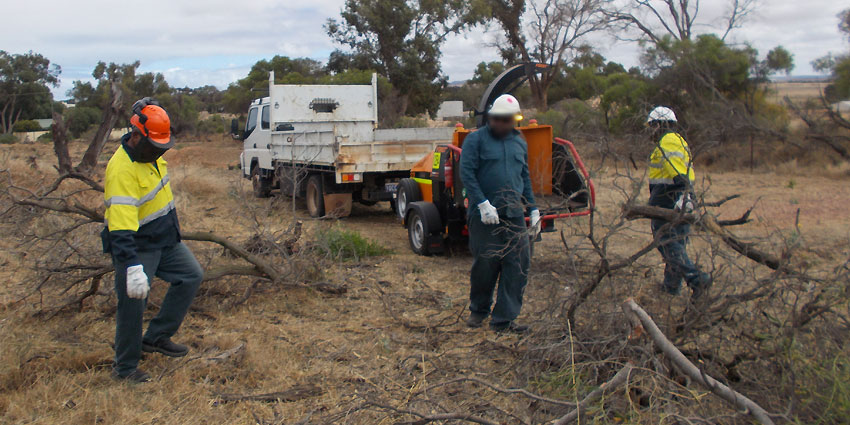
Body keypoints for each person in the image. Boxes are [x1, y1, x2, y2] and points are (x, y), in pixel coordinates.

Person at [101, 98, 204, 382]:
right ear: (136, 136)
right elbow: (120, 226)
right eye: (154, 146)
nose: (158, 151)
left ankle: (156, 337)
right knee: (133, 304)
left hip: (165, 240)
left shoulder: (151, 154)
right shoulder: (121, 169)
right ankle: (125, 368)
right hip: (137, 246)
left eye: (161, 147)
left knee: (191, 275)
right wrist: (131, 266)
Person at [460, 94, 540, 333]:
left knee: (518, 264)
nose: (501, 124)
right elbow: (467, 173)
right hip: (485, 215)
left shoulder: (519, 142)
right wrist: (482, 203)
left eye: (506, 120)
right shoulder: (475, 140)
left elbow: (524, 177)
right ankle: (479, 310)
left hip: (513, 214)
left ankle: (504, 320)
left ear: (514, 120)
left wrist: (533, 208)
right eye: (497, 119)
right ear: (490, 117)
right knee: (486, 263)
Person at [646, 106, 711, 298]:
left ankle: (696, 278)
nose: (650, 131)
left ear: (658, 124)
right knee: (677, 242)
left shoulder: (667, 141)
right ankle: (671, 287)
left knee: (666, 241)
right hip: (681, 196)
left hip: (668, 197)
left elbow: (676, 169)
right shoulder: (679, 140)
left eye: (651, 126)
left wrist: (682, 191)